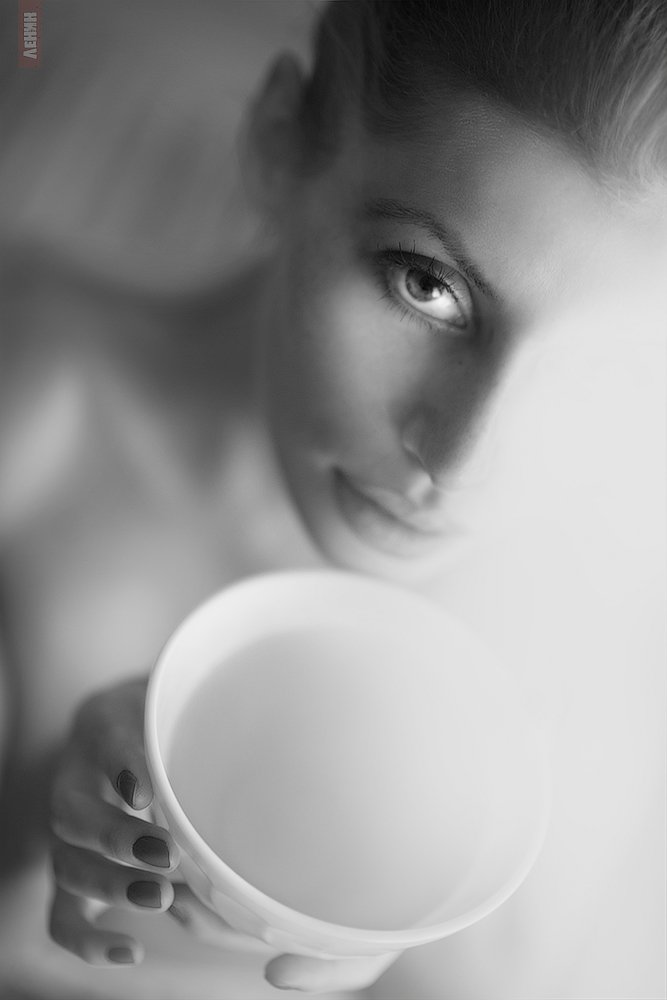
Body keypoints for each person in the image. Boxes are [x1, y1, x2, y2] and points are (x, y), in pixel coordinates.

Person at [1, 0, 665, 997]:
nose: (462, 458)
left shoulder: (592, 644)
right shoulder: (28, 418)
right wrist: (38, 822)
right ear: (279, 144)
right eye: (426, 286)